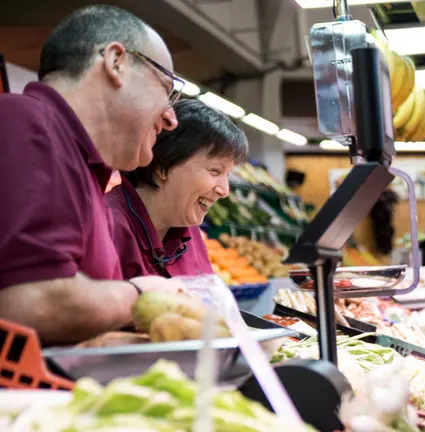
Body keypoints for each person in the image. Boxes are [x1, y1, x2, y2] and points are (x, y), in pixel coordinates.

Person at [0, 5, 184, 345]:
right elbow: (30, 304)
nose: (171, 119)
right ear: (116, 62)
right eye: (167, 89)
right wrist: (140, 294)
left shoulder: (80, 164)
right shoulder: (30, 125)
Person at [106, 99, 248, 278]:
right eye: (215, 171)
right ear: (165, 166)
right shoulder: (105, 227)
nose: (224, 190)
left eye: (227, 175)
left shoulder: (187, 228)